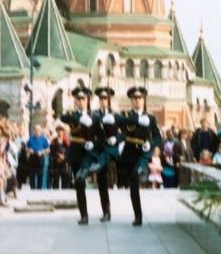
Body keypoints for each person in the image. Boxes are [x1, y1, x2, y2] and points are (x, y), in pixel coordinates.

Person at [118, 87, 162, 227]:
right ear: (131, 101)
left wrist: (150, 143)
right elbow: (121, 124)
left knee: (135, 176)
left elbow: (158, 138)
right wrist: (137, 121)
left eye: (140, 98)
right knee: (133, 184)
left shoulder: (151, 117)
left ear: (144, 100)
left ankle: (138, 216)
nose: (137, 101)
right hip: (129, 153)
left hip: (143, 153)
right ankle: (137, 214)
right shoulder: (125, 115)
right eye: (134, 99)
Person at [60, 86, 95, 225]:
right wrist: (81, 118)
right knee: (79, 185)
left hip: (89, 152)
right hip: (75, 152)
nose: (80, 101)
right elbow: (64, 117)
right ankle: (84, 214)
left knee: (80, 179)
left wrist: (93, 143)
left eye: (83, 99)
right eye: (78, 99)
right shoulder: (72, 114)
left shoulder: (94, 115)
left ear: (87, 100)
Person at [88, 87, 119, 221]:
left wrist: (115, 138)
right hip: (100, 151)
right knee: (102, 183)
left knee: (112, 181)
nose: (103, 101)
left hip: (111, 151)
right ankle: (106, 211)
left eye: (105, 98)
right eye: (101, 98)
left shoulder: (115, 115)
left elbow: (122, 133)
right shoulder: (94, 115)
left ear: (109, 100)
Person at [25, 125, 49, 190]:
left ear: (41, 130)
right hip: (32, 158)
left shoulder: (44, 139)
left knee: (40, 175)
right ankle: (32, 189)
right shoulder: (30, 138)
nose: (37, 131)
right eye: (36, 130)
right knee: (31, 175)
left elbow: (48, 149)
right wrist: (29, 150)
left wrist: (42, 152)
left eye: (38, 130)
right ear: (34, 131)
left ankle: (39, 189)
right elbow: (26, 148)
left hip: (40, 158)